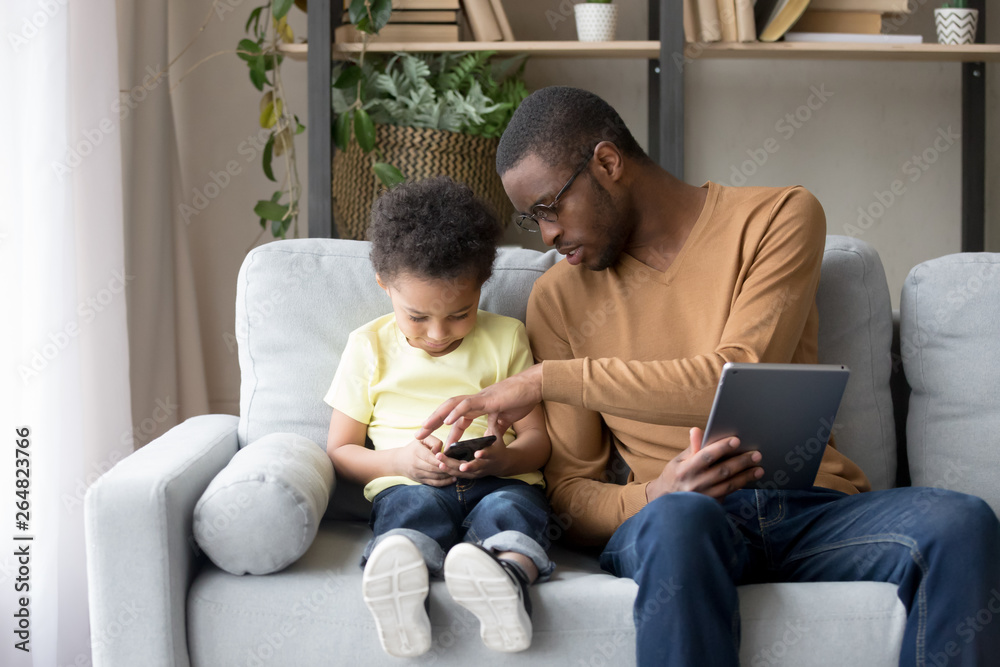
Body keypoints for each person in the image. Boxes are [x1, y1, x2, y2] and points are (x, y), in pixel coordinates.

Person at [416, 86, 1000, 666]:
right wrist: (653, 493)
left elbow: (731, 371)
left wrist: (549, 379)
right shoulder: (558, 299)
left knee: (962, 522)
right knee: (680, 520)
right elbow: (569, 493)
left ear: (608, 163)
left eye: (549, 207)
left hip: (810, 508)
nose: (546, 234)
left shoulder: (777, 218)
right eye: (531, 218)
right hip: (679, 520)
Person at [323, 176, 553, 659]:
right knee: (411, 514)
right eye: (418, 317)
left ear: (482, 286)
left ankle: (506, 582)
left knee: (511, 512)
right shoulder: (368, 347)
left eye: (460, 313)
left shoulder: (508, 338)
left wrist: (503, 459)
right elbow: (340, 452)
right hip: (410, 484)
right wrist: (401, 463)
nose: (437, 333)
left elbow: (539, 440)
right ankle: (400, 586)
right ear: (384, 285)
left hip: (500, 481)